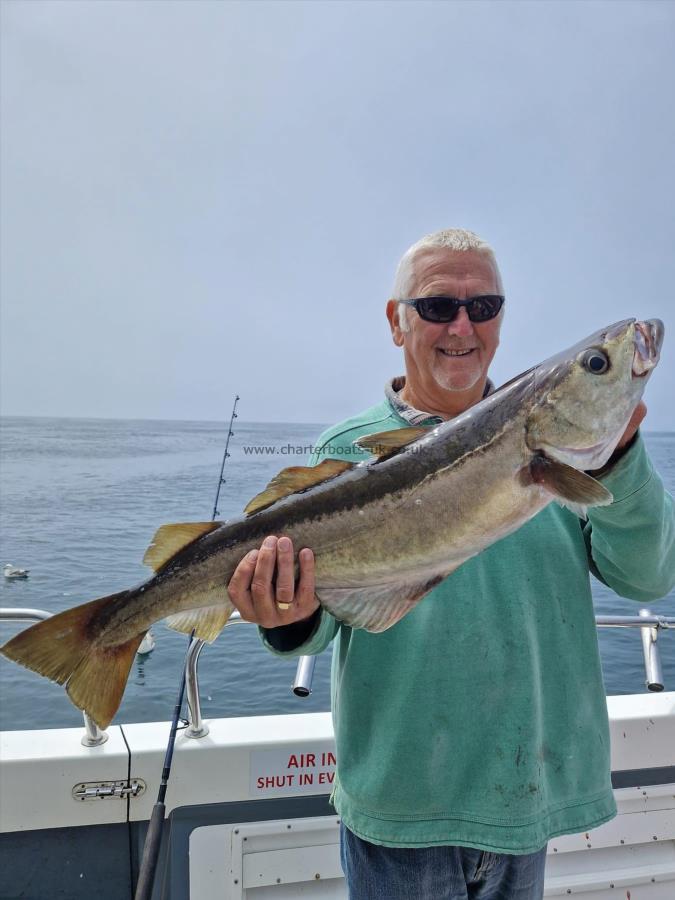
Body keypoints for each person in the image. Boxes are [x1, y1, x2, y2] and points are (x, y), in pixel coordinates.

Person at [226, 229, 675, 900]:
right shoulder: (346, 450)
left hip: (527, 796)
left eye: (483, 306)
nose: (461, 325)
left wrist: (618, 457)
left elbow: (646, 577)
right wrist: (285, 618)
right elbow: (317, 628)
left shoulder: (574, 457)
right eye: (438, 307)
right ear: (395, 319)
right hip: (401, 804)